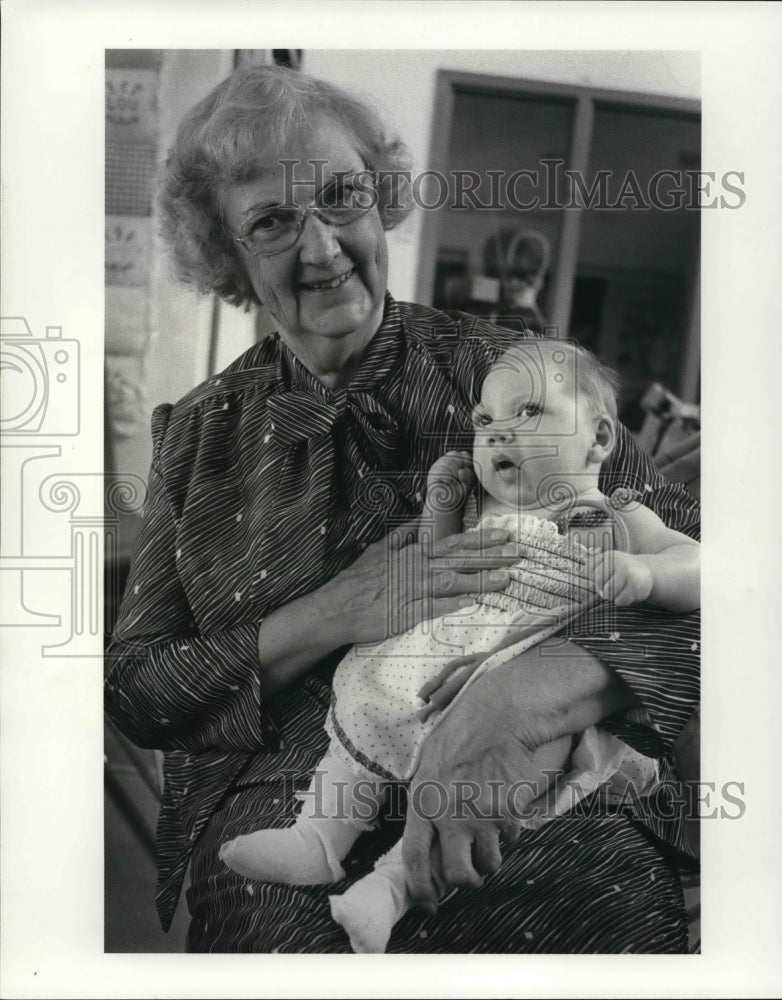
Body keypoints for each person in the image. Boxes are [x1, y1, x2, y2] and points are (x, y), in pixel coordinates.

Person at [104, 63, 700, 954]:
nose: (321, 249)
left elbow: (722, 595)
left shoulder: (527, 379)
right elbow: (139, 687)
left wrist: (520, 702)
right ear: (229, 255)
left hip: (541, 790)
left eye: (342, 198)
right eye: (271, 223)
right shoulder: (197, 434)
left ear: (381, 201)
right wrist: (330, 612)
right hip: (289, 826)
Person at [218, 340, 700, 952]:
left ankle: (392, 886)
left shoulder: (619, 519)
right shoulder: (484, 507)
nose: (498, 434)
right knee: (370, 709)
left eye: (528, 413)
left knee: (497, 786)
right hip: (439, 654)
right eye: (485, 421)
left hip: (534, 680)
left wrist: (652, 576)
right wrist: (440, 505)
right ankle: (318, 838)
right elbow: (434, 567)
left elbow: (703, 567)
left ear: (600, 439)